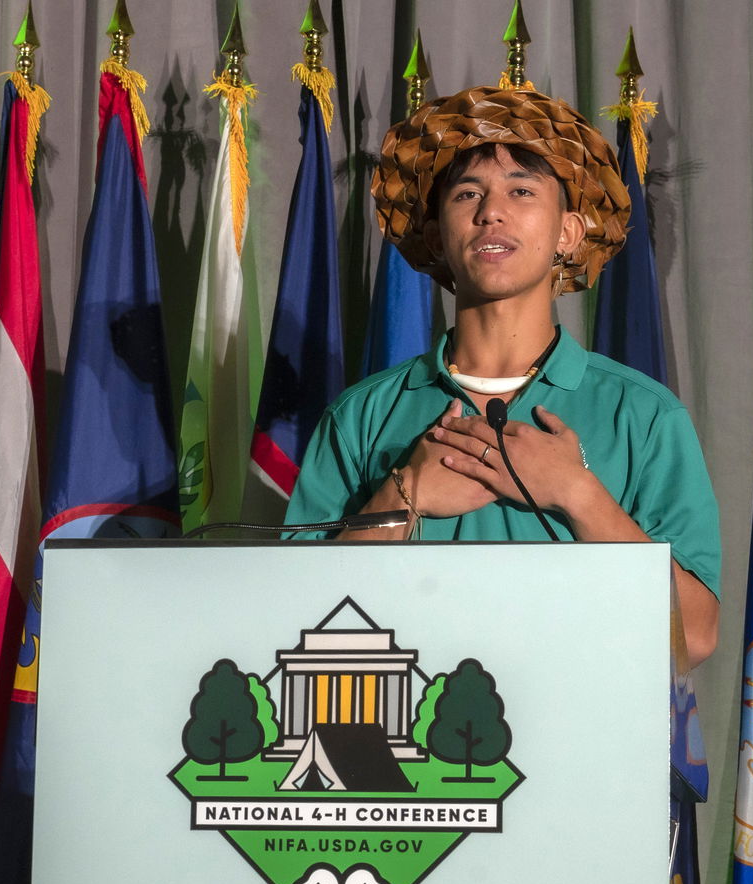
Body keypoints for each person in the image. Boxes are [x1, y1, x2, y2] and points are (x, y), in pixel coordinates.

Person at [285, 84, 719, 665]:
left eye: (521, 190)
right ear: (438, 234)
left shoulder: (644, 416)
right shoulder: (360, 417)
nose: (492, 211)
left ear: (568, 232)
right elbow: (292, 623)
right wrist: (402, 495)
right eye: (468, 193)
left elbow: (692, 640)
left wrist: (577, 492)